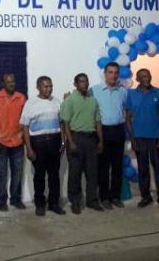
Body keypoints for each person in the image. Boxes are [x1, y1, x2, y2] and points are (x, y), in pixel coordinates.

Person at [125, 69, 159, 210]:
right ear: (138, 79)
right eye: (143, 76)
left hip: (155, 138)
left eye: (149, 75)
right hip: (139, 138)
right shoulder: (131, 94)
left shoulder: (158, 93)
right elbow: (128, 118)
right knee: (143, 169)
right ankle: (145, 197)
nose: (147, 78)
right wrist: (132, 139)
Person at [21, 76, 66, 216]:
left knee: (54, 175)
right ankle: (40, 204)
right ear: (38, 87)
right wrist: (28, 148)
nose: (49, 89)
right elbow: (25, 127)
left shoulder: (57, 102)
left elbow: (62, 124)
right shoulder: (31, 103)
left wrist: (63, 142)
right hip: (38, 142)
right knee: (39, 175)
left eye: (50, 86)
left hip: (55, 140)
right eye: (46, 86)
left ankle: (54, 203)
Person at [60, 73, 104, 214]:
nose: (84, 84)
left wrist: (100, 140)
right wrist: (70, 142)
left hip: (91, 139)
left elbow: (97, 122)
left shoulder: (93, 101)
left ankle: (92, 200)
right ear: (75, 84)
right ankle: (75, 202)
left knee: (92, 172)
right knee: (75, 173)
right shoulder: (70, 100)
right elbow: (65, 123)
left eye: (86, 81)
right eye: (81, 82)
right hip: (76, 139)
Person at [0, 74, 27, 211]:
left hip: (17, 141)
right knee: (0, 174)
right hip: (1, 142)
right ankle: (1, 201)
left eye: (13, 82)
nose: (12, 84)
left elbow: (25, 119)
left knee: (18, 173)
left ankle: (16, 199)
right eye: (8, 82)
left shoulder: (21, 98)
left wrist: (23, 137)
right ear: (2, 83)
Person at [90, 62, 127, 209]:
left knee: (117, 166)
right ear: (105, 74)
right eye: (110, 72)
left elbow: (125, 109)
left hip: (118, 130)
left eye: (116, 72)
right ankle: (104, 197)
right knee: (103, 167)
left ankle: (115, 197)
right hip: (102, 131)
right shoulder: (94, 90)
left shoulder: (123, 92)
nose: (113, 75)